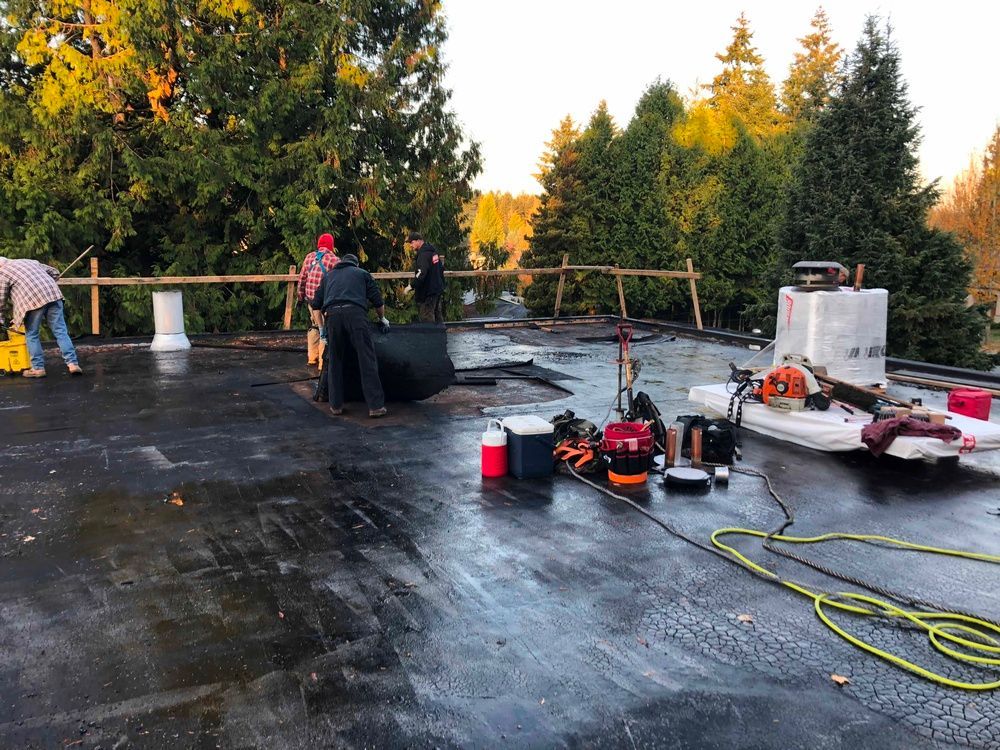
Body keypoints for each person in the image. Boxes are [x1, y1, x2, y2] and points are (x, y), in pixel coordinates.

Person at [310, 253, 391, 418]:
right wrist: (382, 319)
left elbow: (315, 305)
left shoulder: (328, 277)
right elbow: (378, 301)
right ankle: (375, 406)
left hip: (332, 317)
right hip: (356, 315)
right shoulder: (362, 274)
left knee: (335, 361)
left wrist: (322, 329)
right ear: (356, 264)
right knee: (366, 359)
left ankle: (336, 405)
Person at [0, 256, 82, 378]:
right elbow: (54, 272)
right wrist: (46, 285)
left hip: (32, 301)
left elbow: (1, 299)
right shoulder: (28, 261)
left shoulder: (3, 273)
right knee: (60, 331)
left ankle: (38, 368)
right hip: (53, 295)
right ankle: (73, 364)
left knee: (32, 334)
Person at [296, 233, 339, 367]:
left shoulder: (310, 257)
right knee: (325, 329)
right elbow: (338, 282)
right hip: (326, 302)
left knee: (315, 325)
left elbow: (302, 279)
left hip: (311, 301)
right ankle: (322, 362)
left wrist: (300, 297)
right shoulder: (334, 260)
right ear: (331, 245)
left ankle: (312, 357)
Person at [406, 231, 446, 323]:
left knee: (427, 316)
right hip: (436, 289)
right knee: (437, 314)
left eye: (412, 242)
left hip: (428, 292)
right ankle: (440, 332)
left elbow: (421, 273)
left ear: (419, 241)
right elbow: (440, 269)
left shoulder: (423, 255)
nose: (411, 245)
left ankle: (430, 332)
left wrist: (411, 286)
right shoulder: (433, 252)